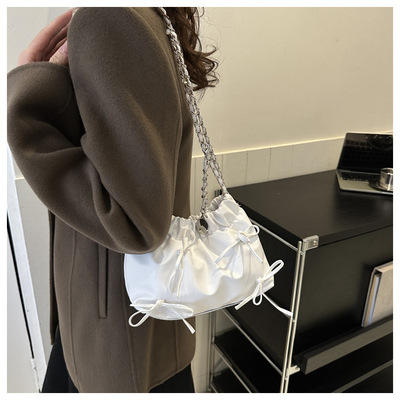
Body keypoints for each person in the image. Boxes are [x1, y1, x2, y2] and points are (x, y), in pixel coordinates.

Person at [7, 7, 218, 393]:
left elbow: (135, 222)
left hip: (115, 327)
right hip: (133, 314)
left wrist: (29, 98)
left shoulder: (109, 16)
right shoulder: (144, 15)